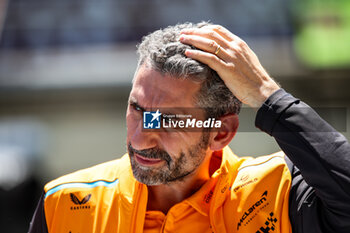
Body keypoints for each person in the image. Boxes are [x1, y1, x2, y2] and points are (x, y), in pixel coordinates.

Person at [28, 22, 350, 233]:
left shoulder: (274, 193)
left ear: (220, 133)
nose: (140, 137)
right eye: (136, 108)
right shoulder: (65, 204)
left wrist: (268, 95)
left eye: (167, 120)